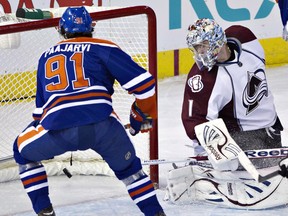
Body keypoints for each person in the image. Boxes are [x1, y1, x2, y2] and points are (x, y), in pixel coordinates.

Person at [13, 6, 165, 216]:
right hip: (103, 127)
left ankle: (44, 211)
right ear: (91, 27)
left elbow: (40, 114)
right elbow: (146, 86)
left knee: (21, 151)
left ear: (61, 30)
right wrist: (142, 117)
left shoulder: (45, 56)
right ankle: (156, 213)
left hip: (59, 130)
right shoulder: (104, 47)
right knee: (131, 171)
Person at [181, 18, 284, 170]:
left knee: (275, 176)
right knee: (259, 178)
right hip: (241, 137)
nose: (200, 52)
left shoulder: (245, 39)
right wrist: (213, 153)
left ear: (218, 40)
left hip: (272, 127)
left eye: (203, 45)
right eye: (196, 48)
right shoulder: (204, 80)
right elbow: (195, 120)